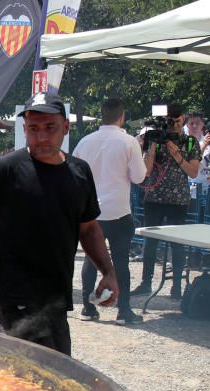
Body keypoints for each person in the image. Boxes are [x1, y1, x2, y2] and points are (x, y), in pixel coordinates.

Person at [0, 93, 118, 357]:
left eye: (50, 128)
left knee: (58, 366)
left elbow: (88, 228)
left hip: (56, 295)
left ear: (65, 128)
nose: (41, 136)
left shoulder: (80, 171)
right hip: (15, 295)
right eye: (34, 129)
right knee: (45, 372)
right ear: (24, 130)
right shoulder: (6, 168)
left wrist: (108, 271)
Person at [71, 97, 148, 325]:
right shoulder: (128, 142)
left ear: (102, 115)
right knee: (121, 261)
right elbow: (139, 177)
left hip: (91, 211)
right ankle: (123, 311)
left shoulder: (85, 141)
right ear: (121, 116)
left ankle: (87, 307)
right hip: (118, 210)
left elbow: (73, 173)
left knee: (90, 259)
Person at [132, 103, 201, 300]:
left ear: (183, 120)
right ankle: (146, 282)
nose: (174, 126)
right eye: (171, 122)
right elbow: (146, 170)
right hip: (154, 197)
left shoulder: (190, 142)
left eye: (178, 122)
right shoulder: (155, 139)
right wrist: (153, 145)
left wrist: (176, 154)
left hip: (178, 199)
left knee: (176, 244)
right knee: (150, 242)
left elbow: (193, 172)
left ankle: (177, 285)